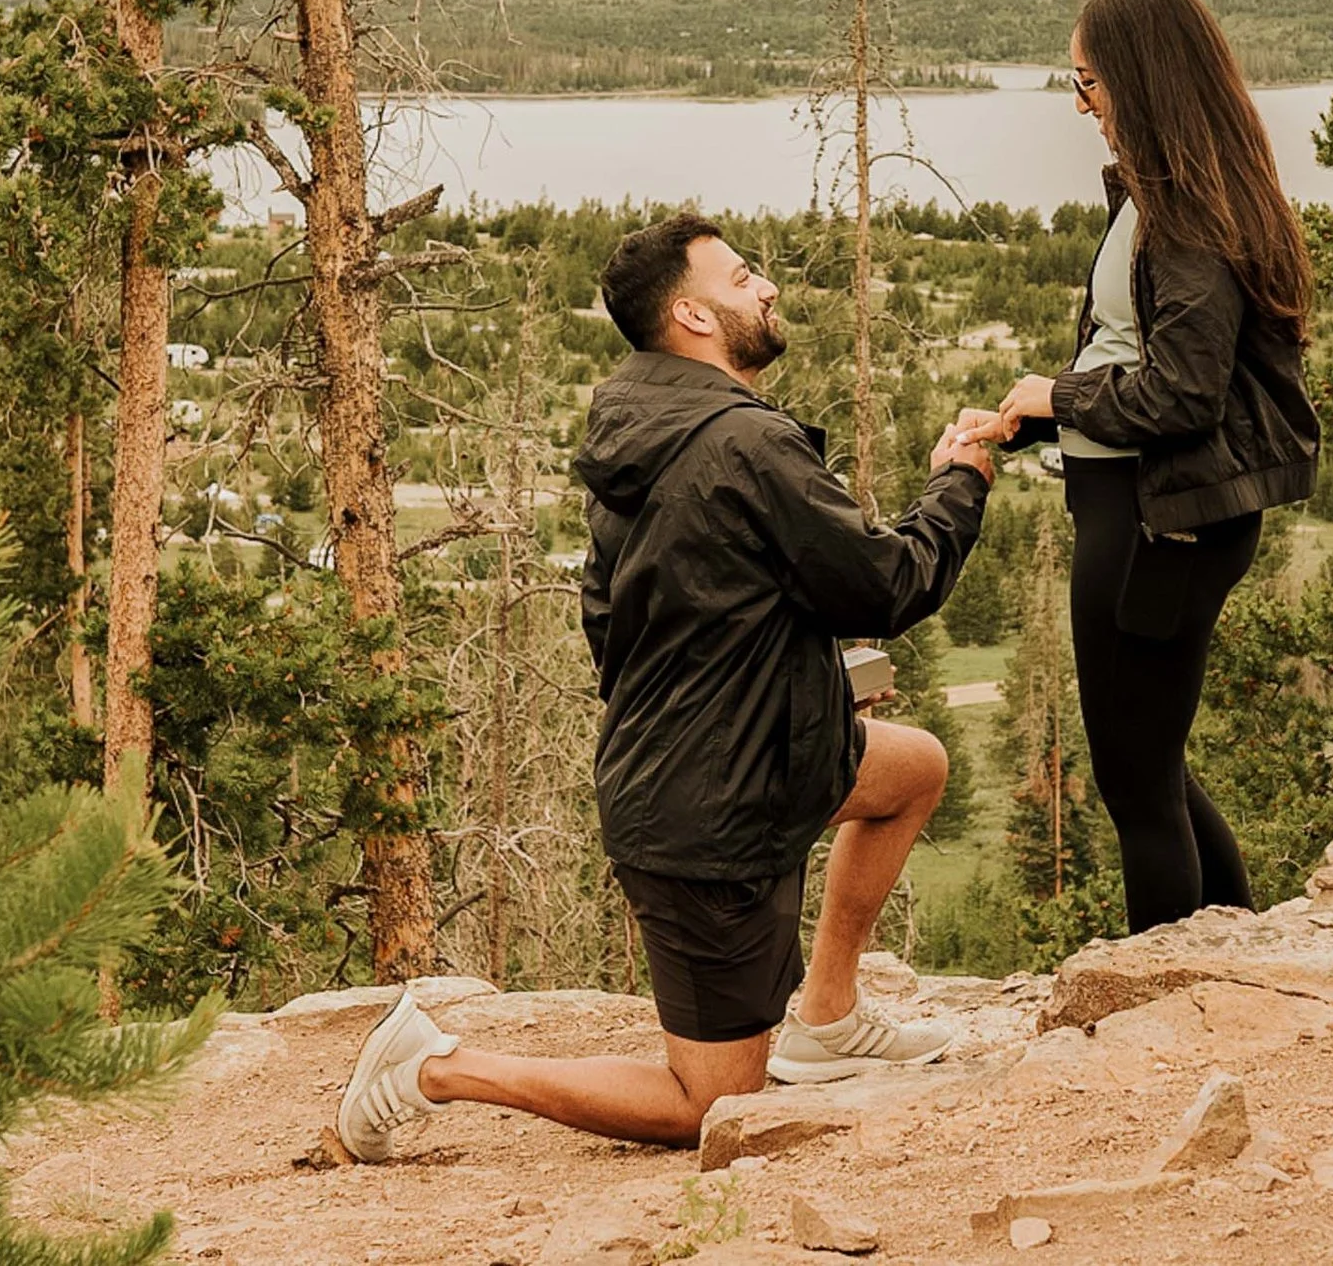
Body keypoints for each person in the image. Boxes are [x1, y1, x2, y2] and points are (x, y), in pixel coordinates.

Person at [335, 212, 998, 1161]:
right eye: (740, 278)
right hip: (707, 815)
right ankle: (433, 1067)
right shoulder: (742, 443)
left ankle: (831, 1014)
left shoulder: (639, 430)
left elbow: (624, 622)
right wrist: (960, 480)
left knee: (911, 771)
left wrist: (796, 685)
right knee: (709, 1104)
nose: (764, 286)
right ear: (690, 313)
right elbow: (889, 584)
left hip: (750, 759)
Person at [964, 0, 1320, 935]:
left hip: (1157, 524)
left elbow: (1182, 393)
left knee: (1136, 787)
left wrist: (1059, 394)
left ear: (1137, 77)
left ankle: (1163, 994)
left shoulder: (1191, 217)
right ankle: (1234, 958)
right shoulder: (1173, 198)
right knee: (1153, 768)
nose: (1082, 104)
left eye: (1087, 81)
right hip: (1147, 509)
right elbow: (1139, 365)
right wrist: (1030, 417)